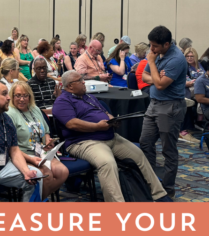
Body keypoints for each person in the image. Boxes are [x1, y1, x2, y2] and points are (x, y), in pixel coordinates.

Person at [53, 70, 171, 202]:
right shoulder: (62, 101)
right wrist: (97, 126)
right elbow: (72, 124)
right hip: (84, 142)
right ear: (69, 86)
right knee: (107, 163)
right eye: (80, 81)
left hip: (109, 137)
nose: (83, 82)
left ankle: (159, 194)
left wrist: (112, 120)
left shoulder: (89, 97)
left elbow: (104, 112)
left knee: (138, 154)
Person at [140, 26, 188, 198]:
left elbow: (160, 84)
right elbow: (144, 77)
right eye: (150, 45)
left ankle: (167, 190)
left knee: (168, 150)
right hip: (154, 104)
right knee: (145, 143)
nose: (151, 50)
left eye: (155, 46)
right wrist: (156, 76)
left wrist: (152, 64)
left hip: (170, 107)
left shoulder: (176, 59)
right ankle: (151, 184)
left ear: (166, 44)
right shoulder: (158, 53)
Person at [7, 81, 69, 199]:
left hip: (41, 153)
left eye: (25, 95)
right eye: (18, 95)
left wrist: (47, 142)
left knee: (63, 172)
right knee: (47, 175)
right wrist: (31, 158)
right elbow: (11, 148)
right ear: (12, 96)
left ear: (30, 97)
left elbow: (45, 131)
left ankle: (36, 201)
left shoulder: (34, 108)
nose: (22, 99)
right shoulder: (10, 114)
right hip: (23, 155)